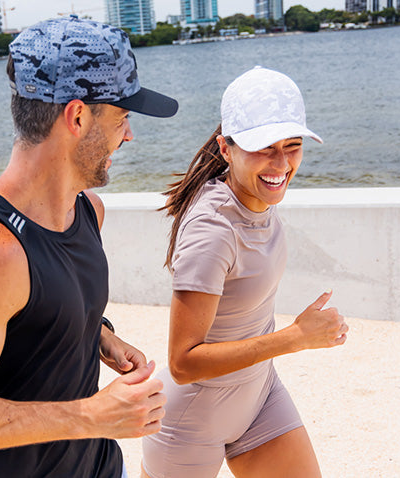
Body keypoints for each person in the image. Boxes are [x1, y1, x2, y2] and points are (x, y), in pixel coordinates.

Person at [0, 16, 178, 478]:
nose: (129, 134)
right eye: (123, 116)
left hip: (100, 468)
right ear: (77, 116)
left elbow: (38, 315)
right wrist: (94, 415)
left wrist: (98, 335)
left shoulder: (89, 210)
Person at [141, 66, 349, 478]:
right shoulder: (213, 230)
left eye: (292, 145)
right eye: (262, 148)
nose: (281, 163)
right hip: (191, 421)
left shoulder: (254, 198)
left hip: (258, 396)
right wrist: (295, 338)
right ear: (226, 148)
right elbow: (183, 362)